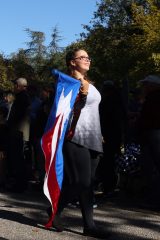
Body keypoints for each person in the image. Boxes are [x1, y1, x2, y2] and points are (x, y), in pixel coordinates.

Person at [47, 49, 109, 238]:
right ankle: (54, 211)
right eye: (82, 57)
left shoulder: (90, 84)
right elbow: (62, 110)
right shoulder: (67, 83)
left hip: (93, 138)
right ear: (72, 62)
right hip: (74, 137)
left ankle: (89, 226)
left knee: (87, 184)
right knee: (80, 182)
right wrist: (79, 97)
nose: (87, 60)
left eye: (88, 57)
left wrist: (99, 134)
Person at [137, 75, 160, 194]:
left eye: (145, 84)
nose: (143, 87)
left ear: (152, 86)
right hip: (152, 132)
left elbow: (148, 117)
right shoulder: (151, 98)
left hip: (153, 132)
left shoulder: (153, 98)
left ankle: (153, 196)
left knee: (152, 163)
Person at [7, 77, 31, 192]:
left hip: (19, 132)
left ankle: (20, 185)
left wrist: (8, 124)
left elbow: (19, 115)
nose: (14, 87)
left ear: (20, 86)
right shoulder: (22, 97)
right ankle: (20, 183)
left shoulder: (23, 97)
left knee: (19, 158)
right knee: (18, 158)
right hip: (18, 131)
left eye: (15, 85)